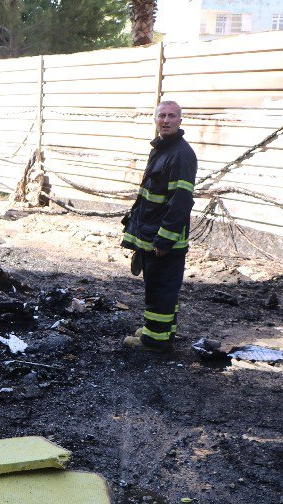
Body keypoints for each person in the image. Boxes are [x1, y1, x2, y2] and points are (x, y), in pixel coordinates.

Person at [120, 100, 197, 352]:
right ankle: (162, 332)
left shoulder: (181, 154)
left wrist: (165, 240)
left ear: (180, 121)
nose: (166, 120)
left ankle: (153, 341)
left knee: (159, 290)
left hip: (164, 241)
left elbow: (180, 202)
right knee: (161, 288)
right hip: (152, 236)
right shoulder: (162, 149)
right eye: (161, 115)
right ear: (155, 120)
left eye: (172, 116)